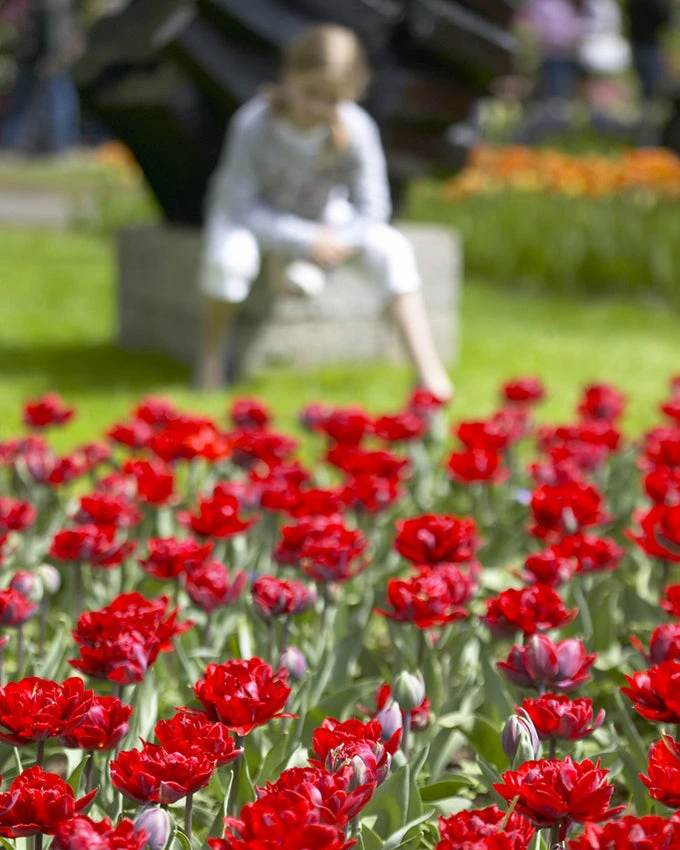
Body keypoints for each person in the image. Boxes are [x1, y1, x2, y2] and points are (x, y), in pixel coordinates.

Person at [197, 24, 454, 401]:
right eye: (311, 93)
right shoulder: (254, 123)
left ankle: (428, 373)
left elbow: (373, 207)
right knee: (229, 260)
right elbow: (238, 206)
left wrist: (335, 243)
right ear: (288, 76)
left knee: (392, 249)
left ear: (352, 93)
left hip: (322, 221)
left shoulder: (356, 128)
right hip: (253, 219)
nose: (319, 107)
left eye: (332, 99)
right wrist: (302, 241)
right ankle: (212, 359)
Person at [627, 0, 671, 142]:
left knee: (647, 94)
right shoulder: (653, 4)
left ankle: (648, 134)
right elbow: (665, 20)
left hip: (639, 48)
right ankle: (650, 136)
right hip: (650, 47)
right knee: (652, 96)